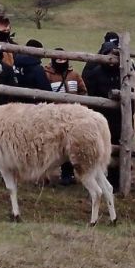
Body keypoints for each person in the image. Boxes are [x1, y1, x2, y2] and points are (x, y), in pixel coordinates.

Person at [83, 33, 122, 187]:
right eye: (109, 55)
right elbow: (90, 90)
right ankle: (96, 178)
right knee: (98, 146)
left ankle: (115, 181)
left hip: (117, 118)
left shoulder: (123, 71)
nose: (111, 59)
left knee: (116, 147)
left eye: (114, 56)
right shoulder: (94, 70)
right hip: (100, 115)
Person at [46, 47, 88, 185]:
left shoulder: (74, 75)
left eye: (63, 58)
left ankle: (67, 174)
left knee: (69, 146)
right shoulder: (47, 74)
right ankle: (45, 174)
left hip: (73, 117)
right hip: (54, 117)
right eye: (58, 58)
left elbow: (83, 92)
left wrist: (81, 107)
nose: (61, 61)